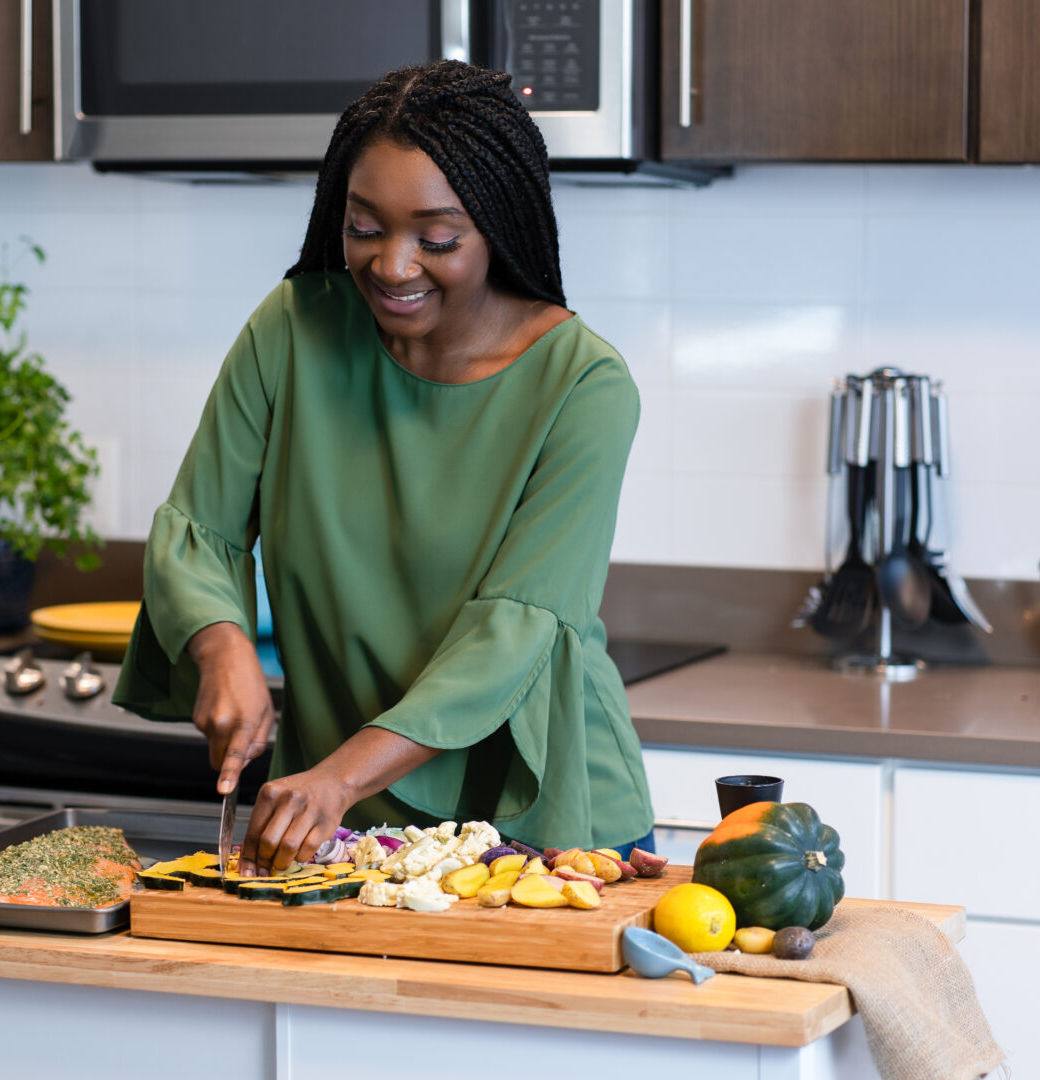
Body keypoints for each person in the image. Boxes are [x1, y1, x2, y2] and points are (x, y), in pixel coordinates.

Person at [114, 60, 654, 876]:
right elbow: (199, 528)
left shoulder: (583, 385)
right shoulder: (293, 329)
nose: (394, 265)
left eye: (437, 239)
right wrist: (223, 652)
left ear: (499, 226)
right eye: (365, 227)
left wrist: (337, 777)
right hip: (339, 820)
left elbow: (513, 634)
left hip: (544, 821)